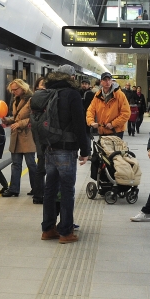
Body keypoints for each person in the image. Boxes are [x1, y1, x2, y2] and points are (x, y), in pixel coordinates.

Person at [40, 65, 91, 244]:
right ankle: (65, 232)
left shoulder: (47, 92)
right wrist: (85, 151)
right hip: (66, 150)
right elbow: (79, 125)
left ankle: (47, 229)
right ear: (71, 77)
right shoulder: (72, 94)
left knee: (50, 190)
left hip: (49, 149)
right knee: (67, 191)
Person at [3, 79, 37, 198]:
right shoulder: (16, 100)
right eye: (12, 90)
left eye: (15, 89)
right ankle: (14, 189)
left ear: (23, 88)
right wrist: (8, 120)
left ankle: (36, 188)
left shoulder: (31, 100)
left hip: (27, 136)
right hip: (16, 136)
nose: (13, 92)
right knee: (16, 164)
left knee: (31, 164)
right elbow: (17, 117)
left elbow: (35, 117)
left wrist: (20, 123)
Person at [86, 72, 131, 138]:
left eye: (109, 80)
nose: (107, 82)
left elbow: (126, 113)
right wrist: (91, 122)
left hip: (116, 131)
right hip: (102, 131)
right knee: (102, 148)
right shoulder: (98, 95)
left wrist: (113, 124)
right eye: (105, 80)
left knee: (115, 148)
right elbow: (90, 110)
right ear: (101, 82)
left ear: (111, 81)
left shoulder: (119, 95)